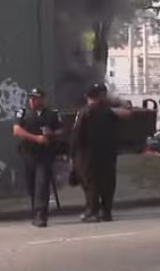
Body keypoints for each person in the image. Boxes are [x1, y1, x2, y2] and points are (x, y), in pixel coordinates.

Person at [70, 83, 122, 222]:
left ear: (88, 97)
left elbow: (77, 134)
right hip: (107, 153)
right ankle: (106, 212)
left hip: (88, 153)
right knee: (107, 183)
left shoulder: (84, 112)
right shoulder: (109, 112)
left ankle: (92, 210)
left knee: (90, 182)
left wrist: (72, 153)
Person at [12, 88, 62, 228]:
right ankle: (36, 211)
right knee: (31, 185)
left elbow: (61, 129)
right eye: (31, 98)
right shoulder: (23, 113)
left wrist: (51, 133)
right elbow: (17, 130)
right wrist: (36, 138)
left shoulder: (52, 114)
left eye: (36, 98)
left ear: (43, 99)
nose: (32, 100)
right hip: (28, 153)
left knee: (42, 184)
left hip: (45, 154)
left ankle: (41, 215)